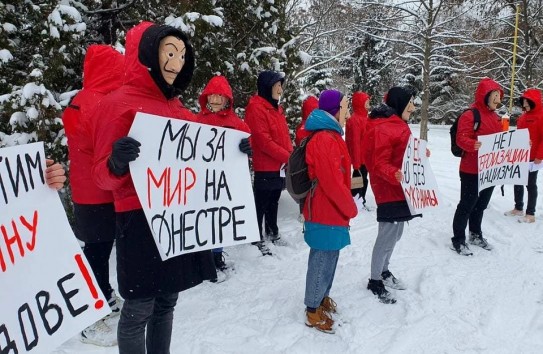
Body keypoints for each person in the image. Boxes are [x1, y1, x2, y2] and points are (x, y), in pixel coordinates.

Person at [91, 22, 216, 354]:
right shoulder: (115, 103)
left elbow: (202, 158)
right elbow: (100, 177)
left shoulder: (179, 108)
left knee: (167, 302)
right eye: (169, 52)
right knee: (138, 309)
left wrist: (233, 153)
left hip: (176, 216)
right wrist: (116, 164)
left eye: (182, 54)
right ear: (148, 53)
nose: (177, 61)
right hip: (137, 221)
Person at [62, 44, 124, 346]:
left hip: (100, 190)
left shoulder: (89, 100)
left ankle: (103, 298)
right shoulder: (92, 102)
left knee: (100, 249)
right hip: (94, 193)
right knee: (97, 252)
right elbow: (97, 142)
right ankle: (92, 314)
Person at [363, 86, 426, 304]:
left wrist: (420, 154)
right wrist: (394, 174)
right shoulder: (383, 127)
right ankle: (374, 280)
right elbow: (377, 162)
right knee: (387, 234)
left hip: (401, 187)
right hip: (388, 188)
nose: (413, 106)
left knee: (397, 233)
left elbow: (404, 152)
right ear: (400, 102)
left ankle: (384, 270)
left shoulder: (399, 123)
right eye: (410, 102)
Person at [303, 89, 357, 334]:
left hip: (332, 209)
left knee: (330, 256)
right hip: (326, 208)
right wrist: (349, 206)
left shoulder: (332, 135)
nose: (347, 112)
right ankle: (312, 309)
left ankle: (322, 297)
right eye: (345, 107)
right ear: (334, 109)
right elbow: (331, 182)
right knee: (322, 257)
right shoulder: (325, 138)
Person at [197, 74, 252, 281]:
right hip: (203, 180)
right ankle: (205, 260)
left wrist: (247, 148)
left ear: (228, 99)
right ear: (206, 98)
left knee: (219, 219)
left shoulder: (236, 123)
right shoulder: (196, 121)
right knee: (205, 219)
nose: (216, 101)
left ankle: (217, 256)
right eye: (212, 96)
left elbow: (250, 143)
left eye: (221, 97)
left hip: (225, 182)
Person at [451, 78, 503, 256]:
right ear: (486, 96)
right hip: (471, 169)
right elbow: (461, 138)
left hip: (490, 170)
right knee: (467, 205)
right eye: (495, 96)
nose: (498, 100)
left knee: (481, 205)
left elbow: (501, 141)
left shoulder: (496, 117)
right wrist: (472, 144)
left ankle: (475, 234)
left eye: (499, 96)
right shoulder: (470, 115)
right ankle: (458, 239)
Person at [244, 70, 293, 254]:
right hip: (265, 165)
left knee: (274, 200)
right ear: (267, 87)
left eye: (281, 86)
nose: (280, 89)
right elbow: (263, 141)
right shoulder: (256, 108)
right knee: (261, 203)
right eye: (277, 86)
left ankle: (272, 231)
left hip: (279, 165)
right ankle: (255, 237)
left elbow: (284, 137)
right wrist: (286, 156)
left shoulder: (277, 109)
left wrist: (290, 154)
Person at [504, 88, 543, 223]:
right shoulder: (523, 117)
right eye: (524, 101)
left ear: (534, 101)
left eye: (527, 101)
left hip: (533, 157)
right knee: (517, 181)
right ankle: (518, 207)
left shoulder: (541, 116)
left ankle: (530, 213)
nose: (525, 104)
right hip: (520, 155)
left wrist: (540, 156)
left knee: (530, 184)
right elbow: (519, 135)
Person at [294, 95, 318, 219]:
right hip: (305, 164)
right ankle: (304, 211)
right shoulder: (304, 128)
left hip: (307, 163)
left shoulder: (303, 127)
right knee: (306, 188)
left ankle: (307, 209)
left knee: (308, 188)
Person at [346, 91, 371, 206]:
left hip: (365, 157)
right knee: (359, 180)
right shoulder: (355, 120)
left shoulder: (366, 118)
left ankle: (360, 199)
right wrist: (355, 162)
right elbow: (354, 142)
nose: (368, 103)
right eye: (366, 101)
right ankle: (356, 200)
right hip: (359, 158)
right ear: (360, 103)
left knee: (363, 179)